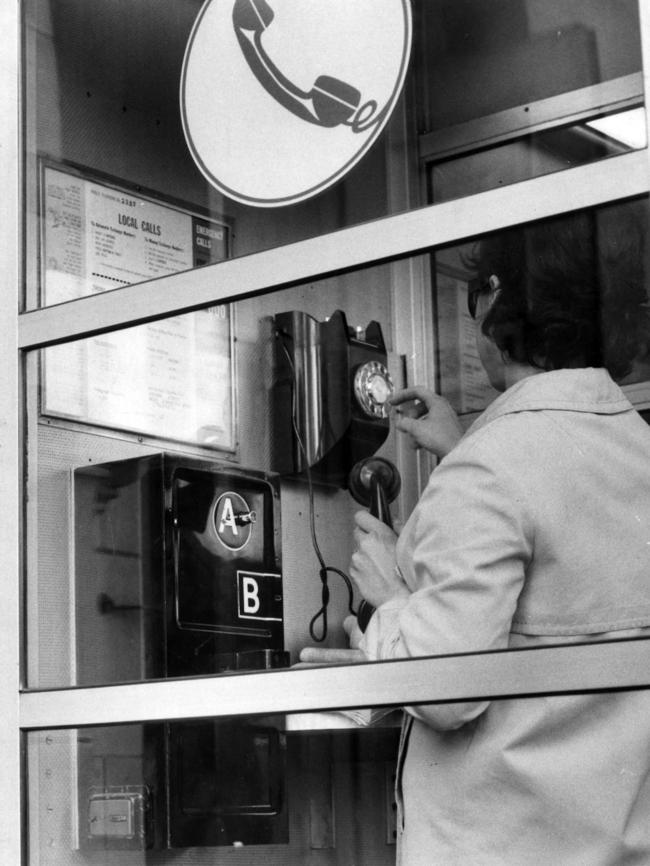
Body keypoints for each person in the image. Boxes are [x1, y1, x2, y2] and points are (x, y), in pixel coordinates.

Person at [301, 203, 650, 864]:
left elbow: (447, 692)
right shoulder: (636, 447)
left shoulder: (490, 469)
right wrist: (462, 448)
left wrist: (393, 594)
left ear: (495, 302)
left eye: (473, 293)